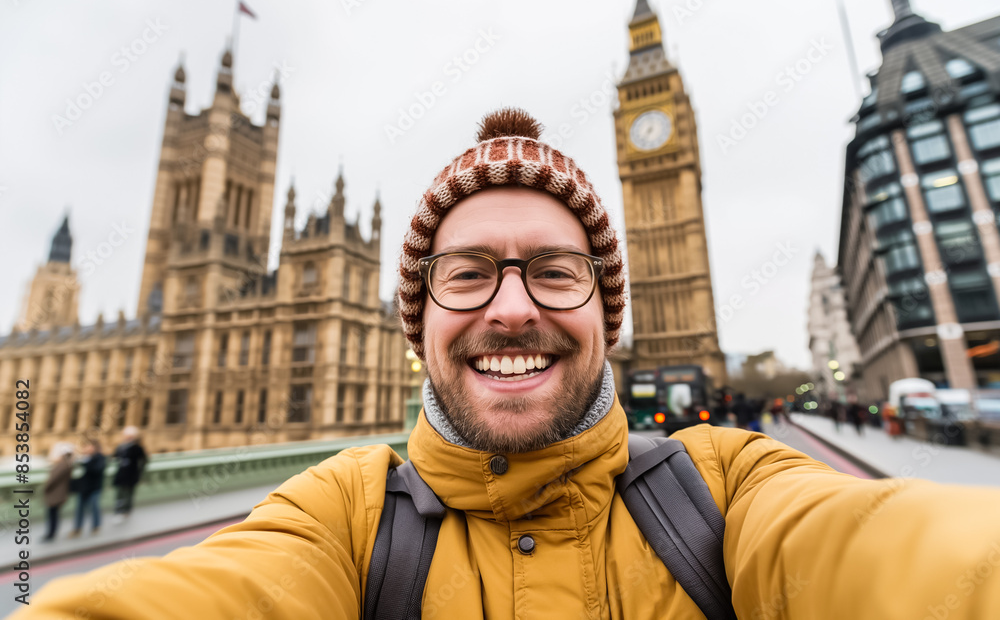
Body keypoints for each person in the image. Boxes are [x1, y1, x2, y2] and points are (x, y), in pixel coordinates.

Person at [18, 109, 1000, 618]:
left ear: (607, 315)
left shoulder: (728, 487)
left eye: (555, 272)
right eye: (469, 273)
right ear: (419, 320)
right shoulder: (347, 516)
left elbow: (911, 557)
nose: (513, 305)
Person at [68, 439, 105, 538]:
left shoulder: (100, 458)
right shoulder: (83, 458)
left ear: (94, 447)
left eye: (88, 446)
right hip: (83, 487)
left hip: (94, 487)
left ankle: (96, 527)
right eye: (85, 446)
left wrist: (86, 463)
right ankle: (77, 528)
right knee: (79, 509)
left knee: (94, 507)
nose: (86, 448)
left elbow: (97, 470)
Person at [111, 425, 147, 522]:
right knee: (119, 494)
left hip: (131, 475)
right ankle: (118, 511)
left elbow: (143, 461)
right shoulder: (121, 447)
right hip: (121, 474)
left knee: (128, 494)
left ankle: (126, 511)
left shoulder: (137, 448)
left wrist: (139, 473)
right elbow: (114, 457)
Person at [42, 442, 74, 542]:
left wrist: (46, 487)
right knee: (54, 514)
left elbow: (53, 479)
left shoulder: (62, 464)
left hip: (56, 493)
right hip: (59, 493)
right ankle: (51, 533)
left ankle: (51, 534)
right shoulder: (67, 464)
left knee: (52, 514)